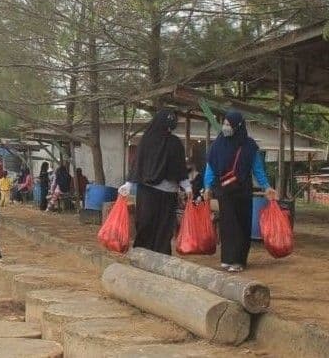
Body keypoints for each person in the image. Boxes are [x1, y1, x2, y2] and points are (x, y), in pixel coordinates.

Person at [204, 111, 277, 273]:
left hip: (243, 191)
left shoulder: (249, 146)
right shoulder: (217, 144)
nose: (225, 127)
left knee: (242, 224)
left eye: (229, 124)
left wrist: (266, 186)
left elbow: (257, 169)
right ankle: (227, 259)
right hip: (224, 191)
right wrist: (207, 187)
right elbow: (210, 167)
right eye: (224, 124)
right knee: (228, 225)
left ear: (238, 126)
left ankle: (239, 260)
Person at [118, 109, 192, 256]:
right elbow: (138, 163)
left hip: (168, 193)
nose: (169, 129)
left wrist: (188, 187)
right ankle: (142, 254)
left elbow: (180, 168)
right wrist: (129, 184)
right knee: (146, 222)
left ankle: (161, 257)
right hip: (148, 190)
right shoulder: (147, 141)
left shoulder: (175, 143)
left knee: (164, 227)